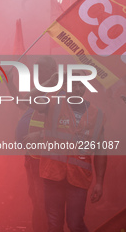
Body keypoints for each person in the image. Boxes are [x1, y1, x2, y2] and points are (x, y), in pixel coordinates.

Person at [25, 69, 107, 232]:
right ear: (65, 86)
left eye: (80, 85)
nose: (77, 89)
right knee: (54, 224)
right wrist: (49, 83)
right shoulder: (53, 104)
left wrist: (99, 182)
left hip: (79, 178)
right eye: (73, 85)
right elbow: (29, 98)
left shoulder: (97, 115)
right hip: (53, 175)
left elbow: (100, 150)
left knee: (75, 224)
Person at [13, 56, 57, 232]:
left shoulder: (57, 92)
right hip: (33, 157)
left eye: (41, 71)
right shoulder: (42, 91)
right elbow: (22, 103)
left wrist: (41, 134)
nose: (36, 75)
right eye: (36, 71)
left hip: (46, 158)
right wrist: (9, 84)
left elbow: (68, 124)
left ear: (52, 71)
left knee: (44, 201)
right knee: (36, 198)